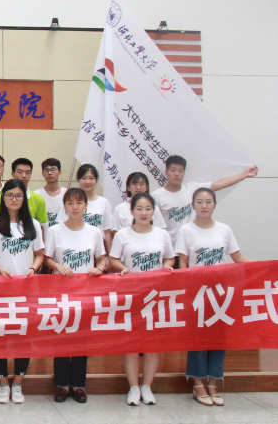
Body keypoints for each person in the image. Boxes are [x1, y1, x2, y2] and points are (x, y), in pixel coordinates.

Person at [175, 188, 256, 407]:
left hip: (221, 293)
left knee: (219, 339)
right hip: (196, 293)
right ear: (193, 205)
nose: (204, 206)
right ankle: (198, 384)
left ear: (214, 205)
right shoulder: (186, 230)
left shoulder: (224, 229)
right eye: (199, 202)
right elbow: (183, 265)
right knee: (198, 340)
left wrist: (266, 265)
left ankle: (213, 382)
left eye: (208, 202)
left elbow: (238, 258)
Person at [0, 178, 44, 404]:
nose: (14, 199)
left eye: (18, 196)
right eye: (9, 195)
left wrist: (33, 268)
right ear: (3, 198)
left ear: (24, 198)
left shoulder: (33, 224)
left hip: (26, 288)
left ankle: (18, 382)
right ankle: (2, 382)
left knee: (23, 336)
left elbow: (40, 254)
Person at [109, 192, 175, 406]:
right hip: (131, 295)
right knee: (131, 342)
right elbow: (113, 259)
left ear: (154, 211)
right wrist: (123, 268)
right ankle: (133, 387)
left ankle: (147, 386)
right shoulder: (122, 234)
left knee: (152, 343)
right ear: (132, 211)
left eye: (148, 209)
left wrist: (167, 267)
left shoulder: (162, 234)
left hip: (155, 296)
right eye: (139, 209)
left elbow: (170, 258)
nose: (144, 213)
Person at [43, 188, 106, 404]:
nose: (75, 207)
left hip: (85, 293)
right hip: (60, 293)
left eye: (79, 203)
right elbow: (47, 258)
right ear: (65, 206)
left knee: (81, 338)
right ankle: (62, 384)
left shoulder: (94, 232)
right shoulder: (55, 231)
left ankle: (79, 384)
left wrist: (99, 268)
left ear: (86, 206)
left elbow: (102, 259)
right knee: (61, 337)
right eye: (70, 203)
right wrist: (57, 266)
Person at [152, 155, 257, 246]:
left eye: (180, 171)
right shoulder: (156, 195)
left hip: (193, 245)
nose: (177, 174)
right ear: (166, 172)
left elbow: (218, 184)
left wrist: (244, 175)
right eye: (173, 170)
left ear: (184, 173)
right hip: (170, 247)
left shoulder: (191, 188)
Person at [57, 164, 112, 254]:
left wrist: (109, 255)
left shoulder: (103, 202)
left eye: (91, 178)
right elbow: (61, 226)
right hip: (74, 249)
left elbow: (106, 232)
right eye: (84, 178)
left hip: (97, 249)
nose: (87, 182)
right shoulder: (69, 202)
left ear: (96, 180)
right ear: (78, 180)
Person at [0, 159, 48, 233]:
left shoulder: (38, 199)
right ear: (13, 174)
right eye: (20, 172)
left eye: (28, 172)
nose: (24, 176)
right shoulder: (1, 198)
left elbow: (42, 226)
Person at [36, 158, 66, 228]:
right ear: (42, 173)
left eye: (53, 169)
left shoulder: (67, 194)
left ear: (60, 172)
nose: (49, 173)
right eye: (46, 170)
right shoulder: (36, 195)